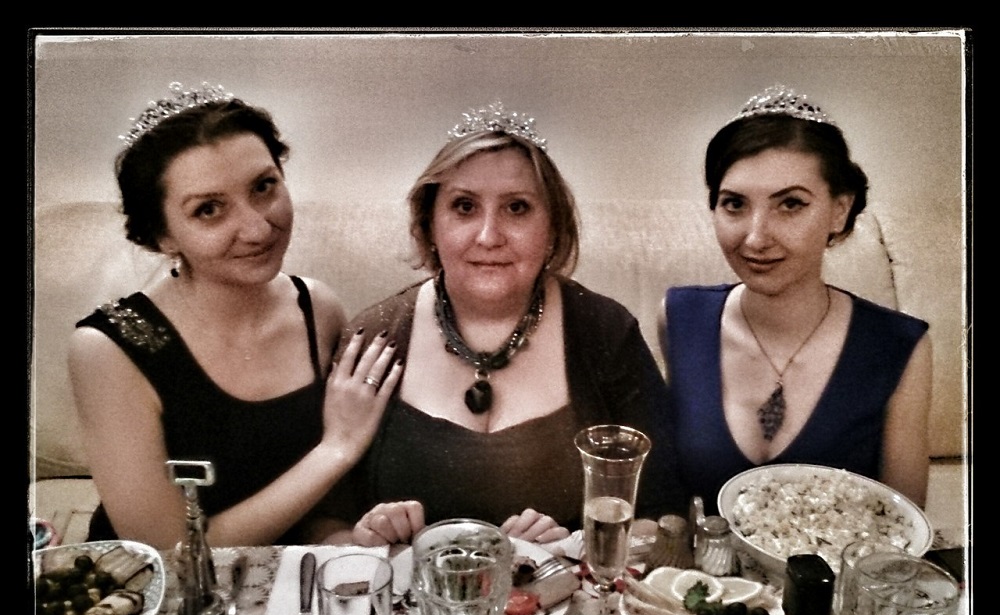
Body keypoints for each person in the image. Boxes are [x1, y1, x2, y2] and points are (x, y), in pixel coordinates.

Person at [322, 102, 683, 546]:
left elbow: (667, 515)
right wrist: (364, 540)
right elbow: (322, 525)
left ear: (553, 228)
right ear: (429, 225)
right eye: (464, 207)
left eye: (517, 207)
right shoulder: (374, 337)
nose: (489, 236)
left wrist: (577, 547)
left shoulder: (606, 331)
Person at [68, 82, 402, 550]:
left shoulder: (317, 308)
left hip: (293, 569)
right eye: (209, 210)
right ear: (161, 236)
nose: (257, 228)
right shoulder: (110, 348)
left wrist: (340, 534)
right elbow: (169, 552)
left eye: (263, 187)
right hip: (168, 587)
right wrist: (337, 450)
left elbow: (323, 502)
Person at [659, 85, 932, 514]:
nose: (756, 237)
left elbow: (903, 523)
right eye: (734, 204)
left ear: (840, 210)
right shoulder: (679, 318)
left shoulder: (898, 345)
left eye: (790, 204)